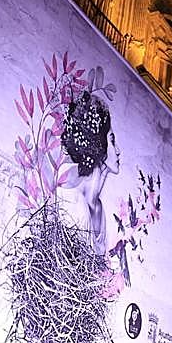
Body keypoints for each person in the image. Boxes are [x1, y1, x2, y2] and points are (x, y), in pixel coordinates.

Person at [60, 90, 120, 256]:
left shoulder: (99, 207)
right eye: (112, 140)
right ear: (99, 143)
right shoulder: (74, 201)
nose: (119, 150)